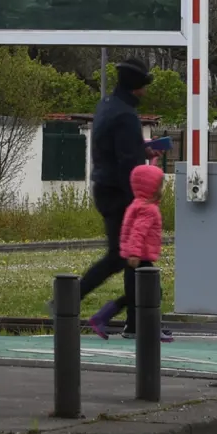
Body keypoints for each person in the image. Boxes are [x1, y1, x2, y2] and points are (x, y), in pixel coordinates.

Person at [71, 57, 154, 338]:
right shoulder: (127, 116)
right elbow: (127, 165)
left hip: (104, 189)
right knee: (129, 255)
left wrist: (143, 148)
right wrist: (139, 203)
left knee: (128, 256)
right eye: (143, 86)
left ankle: (134, 320)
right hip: (121, 194)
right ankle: (72, 299)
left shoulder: (107, 106)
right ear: (136, 87)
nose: (145, 92)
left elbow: (115, 147)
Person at [90, 163, 173, 342]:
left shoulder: (137, 203)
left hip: (133, 258)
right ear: (151, 188)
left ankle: (122, 324)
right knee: (152, 294)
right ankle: (150, 329)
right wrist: (135, 253)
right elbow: (138, 231)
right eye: (159, 186)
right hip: (139, 259)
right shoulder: (148, 209)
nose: (161, 189)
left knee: (133, 296)